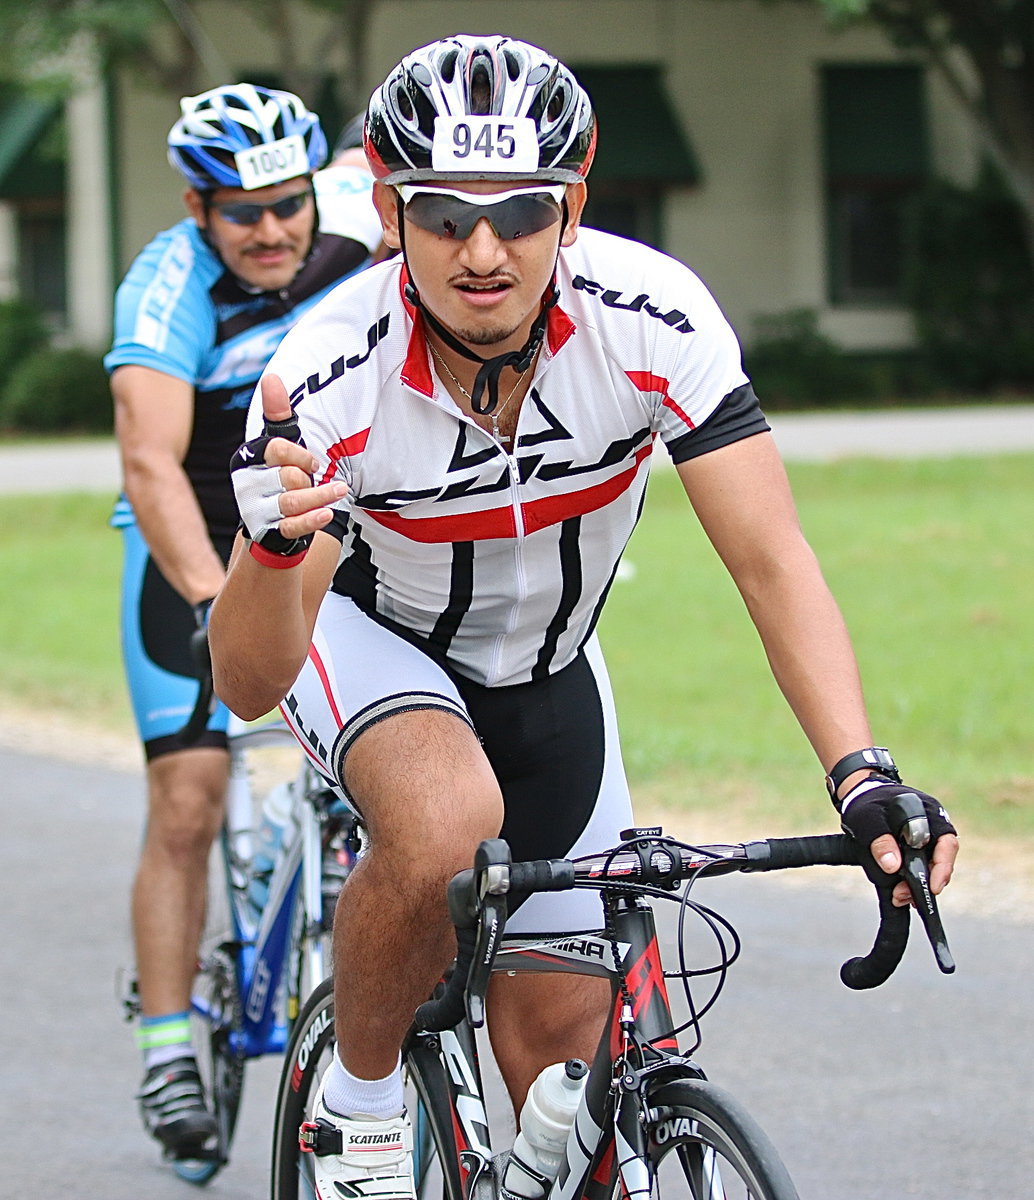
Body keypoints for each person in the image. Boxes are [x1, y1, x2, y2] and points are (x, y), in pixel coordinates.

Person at [208, 36, 959, 1200]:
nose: (483, 250)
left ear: (572, 204)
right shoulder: (327, 372)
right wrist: (268, 550)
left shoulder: (649, 318)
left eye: (520, 210)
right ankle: (357, 1107)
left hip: (551, 669)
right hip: (376, 643)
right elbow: (248, 682)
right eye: (444, 214)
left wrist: (859, 774)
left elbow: (770, 564)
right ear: (389, 211)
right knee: (445, 822)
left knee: (562, 1088)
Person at [105, 81, 383, 1161]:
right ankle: (167, 1047)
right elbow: (148, 462)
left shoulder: (355, 209)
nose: (271, 230)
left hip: (321, 515)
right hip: (195, 530)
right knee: (189, 795)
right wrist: (211, 604)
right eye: (241, 212)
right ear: (197, 208)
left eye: (286, 204)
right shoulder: (166, 287)